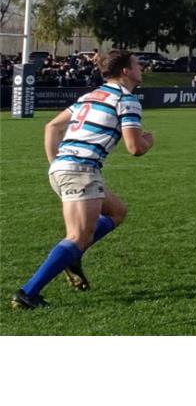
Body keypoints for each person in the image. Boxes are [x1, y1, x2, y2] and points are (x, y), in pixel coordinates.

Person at [11, 50, 154, 309]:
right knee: (77, 236)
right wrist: (149, 140)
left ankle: (73, 257)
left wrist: (56, 162)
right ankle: (27, 294)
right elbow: (136, 148)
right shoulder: (127, 99)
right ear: (125, 71)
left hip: (66, 169)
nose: (140, 67)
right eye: (136, 64)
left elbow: (52, 127)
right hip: (81, 171)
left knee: (117, 212)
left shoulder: (90, 95)